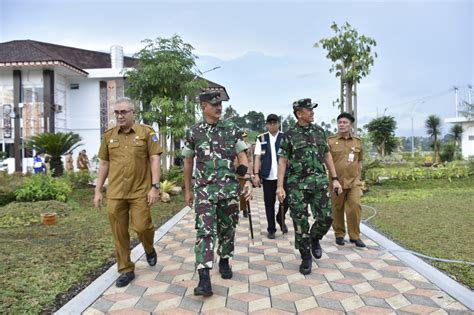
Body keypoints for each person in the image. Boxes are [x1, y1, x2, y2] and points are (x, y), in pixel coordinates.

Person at [182, 91, 252, 297]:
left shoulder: (232, 129)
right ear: (203, 107)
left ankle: (224, 259)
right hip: (205, 191)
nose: (219, 107)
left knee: (227, 229)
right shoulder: (193, 132)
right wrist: (188, 189)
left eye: (220, 104)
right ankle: (204, 278)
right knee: (204, 231)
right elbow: (188, 162)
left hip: (230, 190)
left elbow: (242, 155)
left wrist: (246, 179)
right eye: (214, 104)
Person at [94, 97, 162, 288]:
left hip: (140, 191)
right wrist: (98, 190)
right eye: (116, 112)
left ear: (133, 113)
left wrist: (155, 187)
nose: (119, 115)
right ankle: (126, 269)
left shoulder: (147, 133)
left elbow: (154, 159)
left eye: (123, 112)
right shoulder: (108, 135)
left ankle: (148, 248)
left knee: (142, 227)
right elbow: (104, 163)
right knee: (119, 233)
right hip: (115, 193)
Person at [276, 98, 342, 275]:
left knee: (327, 217)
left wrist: (334, 177)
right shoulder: (289, 135)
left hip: (319, 183)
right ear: (299, 114)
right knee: (300, 222)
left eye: (312, 109)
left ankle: (315, 238)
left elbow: (327, 155)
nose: (312, 112)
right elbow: (282, 161)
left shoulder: (319, 132)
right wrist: (279, 187)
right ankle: (305, 255)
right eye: (309, 110)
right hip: (297, 185)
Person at [328, 112, 366, 248]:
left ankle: (355, 236)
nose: (342, 125)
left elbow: (359, 161)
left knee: (355, 206)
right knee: (337, 208)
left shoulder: (358, 142)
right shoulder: (331, 141)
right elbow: (326, 161)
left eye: (345, 122)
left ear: (351, 125)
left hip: (354, 181)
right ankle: (339, 234)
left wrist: (359, 178)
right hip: (336, 182)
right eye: (340, 122)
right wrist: (332, 179)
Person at [254, 114, 289, 239]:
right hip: (267, 176)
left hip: (284, 176)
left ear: (278, 124)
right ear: (266, 124)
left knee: (287, 200)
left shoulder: (285, 137)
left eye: (274, 123)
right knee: (269, 203)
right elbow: (257, 157)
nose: (272, 125)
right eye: (270, 123)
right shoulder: (261, 138)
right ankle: (271, 228)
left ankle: (280, 217)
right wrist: (256, 174)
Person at [234, 131, 254, 218]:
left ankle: (244, 208)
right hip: (231, 172)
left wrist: (250, 173)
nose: (244, 138)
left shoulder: (247, 147)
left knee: (243, 192)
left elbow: (249, 161)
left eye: (244, 136)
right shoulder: (230, 145)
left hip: (242, 172)